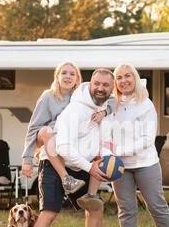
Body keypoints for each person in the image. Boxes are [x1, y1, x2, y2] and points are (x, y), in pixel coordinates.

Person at [25, 68, 118, 227]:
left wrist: (105, 158)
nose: (100, 88)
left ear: (112, 89)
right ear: (90, 84)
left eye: (106, 85)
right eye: (97, 84)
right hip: (55, 161)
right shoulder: (75, 109)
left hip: (82, 163)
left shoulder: (107, 111)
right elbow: (64, 148)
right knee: (49, 212)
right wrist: (90, 167)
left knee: (95, 208)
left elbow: (105, 140)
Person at [105, 63, 169, 227]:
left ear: (135, 78)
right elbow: (106, 132)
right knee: (126, 209)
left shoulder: (145, 104)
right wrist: (106, 149)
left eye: (128, 76)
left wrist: (119, 151)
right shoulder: (111, 105)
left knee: (156, 205)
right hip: (119, 167)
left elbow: (148, 139)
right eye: (119, 77)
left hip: (145, 163)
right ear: (115, 82)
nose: (124, 81)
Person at [21, 61, 109, 195]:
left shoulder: (83, 96)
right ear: (57, 76)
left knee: (98, 142)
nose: (68, 76)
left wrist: (104, 112)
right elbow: (33, 128)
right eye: (64, 73)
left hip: (70, 141)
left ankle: (91, 195)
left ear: (77, 79)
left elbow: (112, 99)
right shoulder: (48, 97)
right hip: (49, 138)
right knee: (46, 130)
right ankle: (66, 178)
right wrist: (27, 160)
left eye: (72, 74)